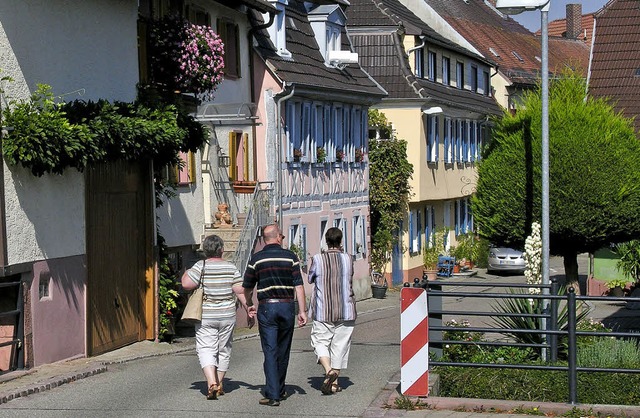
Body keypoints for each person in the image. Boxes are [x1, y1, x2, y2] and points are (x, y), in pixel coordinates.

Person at [181, 234, 253, 400]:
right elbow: (239, 290)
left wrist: (188, 271)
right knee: (224, 349)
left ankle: (211, 382)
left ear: (205, 251)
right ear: (221, 250)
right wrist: (248, 307)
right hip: (227, 315)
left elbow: (186, 284)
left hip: (206, 315)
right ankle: (219, 383)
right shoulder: (230, 267)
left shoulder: (201, 266)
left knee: (206, 348)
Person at [243, 224, 307, 407]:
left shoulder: (256, 259)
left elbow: (247, 286)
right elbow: (299, 286)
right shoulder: (290, 257)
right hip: (287, 307)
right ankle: (279, 388)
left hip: (266, 308)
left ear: (264, 239)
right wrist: (302, 311)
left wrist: (249, 304)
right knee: (283, 350)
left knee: (270, 351)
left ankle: (273, 394)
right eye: (282, 235)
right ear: (278, 237)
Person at [307, 227, 356, 395]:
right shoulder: (349, 259)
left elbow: (310, 278)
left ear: (326, 241)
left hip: (323, 309)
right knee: (340, 346)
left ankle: (329, 371)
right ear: (340, 241)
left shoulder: (317, 259)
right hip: (346, 308)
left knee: (320, 341)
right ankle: (334, 383)